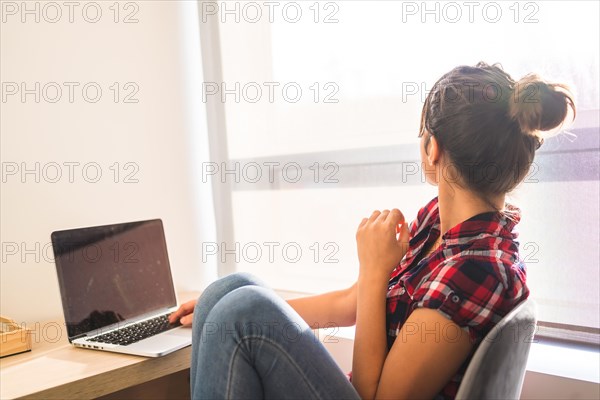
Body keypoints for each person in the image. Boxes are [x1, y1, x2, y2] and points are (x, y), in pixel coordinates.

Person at [169, 62, 575, 400]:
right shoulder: (442, 225)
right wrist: (222, 309)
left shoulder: (475, 270)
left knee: (243, 310)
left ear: (432, 148)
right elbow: (354, 302)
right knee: (233, 290)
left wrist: (376, 270)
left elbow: (372, 393)